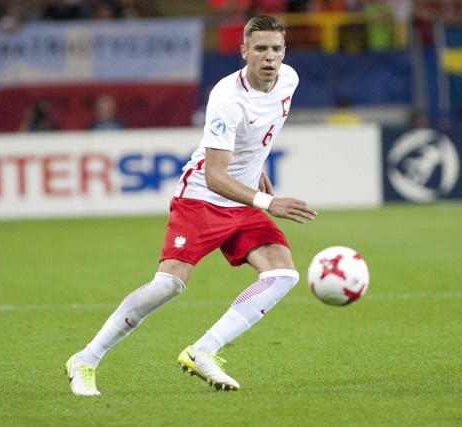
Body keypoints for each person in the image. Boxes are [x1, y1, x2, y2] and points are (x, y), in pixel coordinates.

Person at [65, 15, 317, 396]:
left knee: (282, 275)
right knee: (168, 285)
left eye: (276, 49)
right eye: (261, 48)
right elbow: (215, 175)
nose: (270, 57)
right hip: (202, 199)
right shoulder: (226, 98)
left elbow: (259, 136)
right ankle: (86, 358)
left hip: (244, 199)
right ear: (244, 51)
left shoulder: (289, 80)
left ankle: (204, 350)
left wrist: (258, 168)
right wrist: (269, 202)